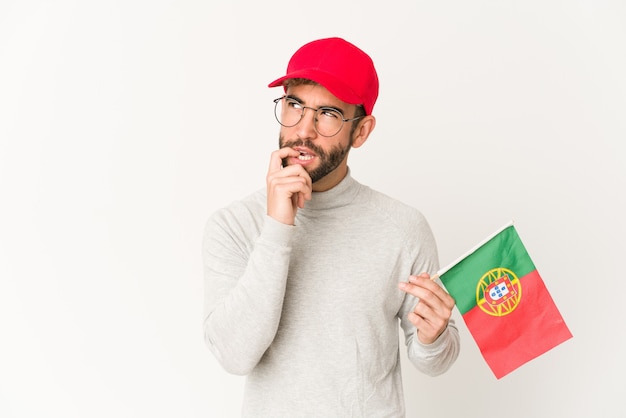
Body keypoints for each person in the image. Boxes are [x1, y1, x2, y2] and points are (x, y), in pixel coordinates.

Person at [203, 37, 460, 417]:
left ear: (361, 131)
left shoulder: (403, 228)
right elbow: (234, 355)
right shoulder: (234, 224)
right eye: (294, 105)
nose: (303, 130)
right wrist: (277, 226)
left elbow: (434, 360)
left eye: (327, 113)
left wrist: (434, 335)